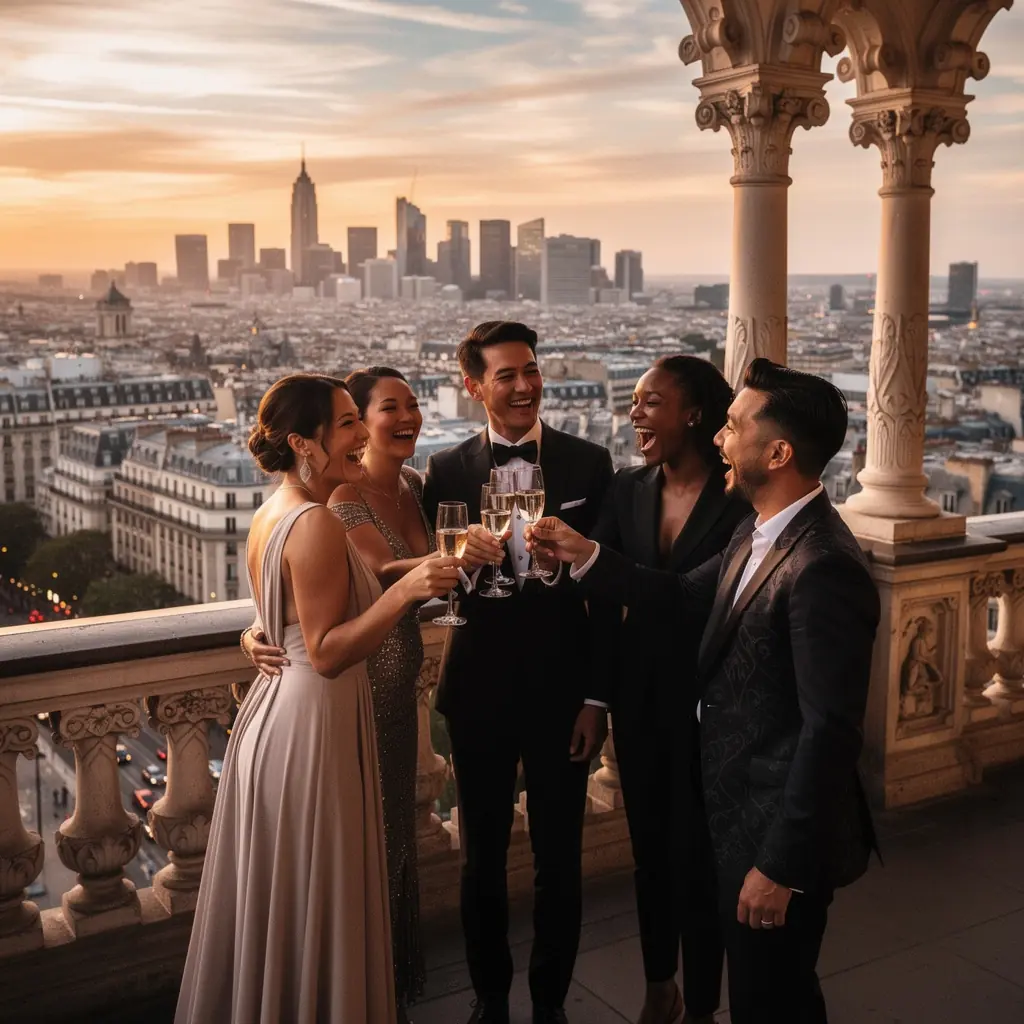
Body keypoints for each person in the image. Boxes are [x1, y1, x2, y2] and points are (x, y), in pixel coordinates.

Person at [527, 358, 880, 1024]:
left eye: (735, 426)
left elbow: (829, 731)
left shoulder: (823, 565)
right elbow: (681, 595)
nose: (720, 437)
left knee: (771, 999)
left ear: (777, 452)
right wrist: (585, 556)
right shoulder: (761, 529)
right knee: (766, 995)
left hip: (771, 837)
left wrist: (779, 865)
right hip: (735, 820)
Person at [176, 373, 463, 1024]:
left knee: (288, 900)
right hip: (314, 719)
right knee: (325, 893)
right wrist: (407, 590)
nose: (362, 435)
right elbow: (329, 651)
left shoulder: (275, 510)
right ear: (304, 444)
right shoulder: (317, 524)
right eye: (347, 424)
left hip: (282, 713)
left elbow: (286, 620)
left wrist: (259, 633)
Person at [422, 321, 617, 1024]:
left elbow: (604, 594)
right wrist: (461, 566)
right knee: (481, 863)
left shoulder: (591, 464)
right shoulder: (444, 472)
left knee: (561, 863)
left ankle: (551, 1003)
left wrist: (596, 698)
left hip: (564, 694)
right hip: (478, 694)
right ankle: (491, 997)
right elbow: (429, 586)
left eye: (530, 370)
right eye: (505, 375)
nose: (525, 385)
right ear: (473, 387)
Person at [590, 357, 748, 1024]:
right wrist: (597, 698)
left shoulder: (742, 501)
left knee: (705, 860)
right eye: (633, 401)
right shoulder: (626, 488)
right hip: (641, 701)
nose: (635, 413)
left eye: (651, 401)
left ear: (693, 414)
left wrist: (588, 557)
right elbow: (596, 599)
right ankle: (661, 986)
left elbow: (697, 597)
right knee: (650, 852)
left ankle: (705, 1001)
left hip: (716, 703)